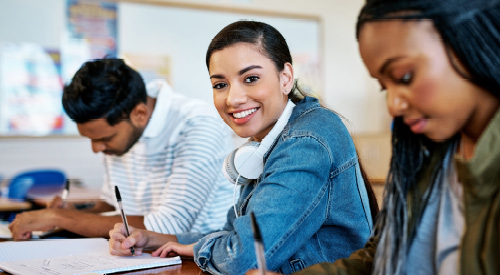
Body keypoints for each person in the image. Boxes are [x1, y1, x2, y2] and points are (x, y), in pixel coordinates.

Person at [247, 0, 500, 274]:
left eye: (404, 76)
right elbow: (381, 256)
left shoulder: (310, 134)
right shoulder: (430, 154)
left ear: (469, 42)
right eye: (383, 87)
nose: (393, 105)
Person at [108, 21, 378, 275]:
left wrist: (203, 249)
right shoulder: (267, 139)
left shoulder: (304, 142)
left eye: (251, 79)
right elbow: (235, 234)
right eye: (220, 85)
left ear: (286, 78)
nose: (233, 98)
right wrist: (155, 239)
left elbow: (244, 257)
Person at [9, 59, 234, 240]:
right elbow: (112, 204)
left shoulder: (198, 124)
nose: (96, 148)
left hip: (198, 257)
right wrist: (73, 215)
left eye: (105, 138)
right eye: (90, 139)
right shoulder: (120, 129)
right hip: (132, 251)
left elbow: (168, 226)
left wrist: (62, 218)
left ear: (139, 114)